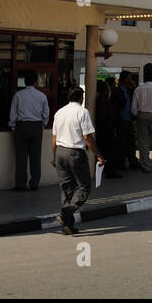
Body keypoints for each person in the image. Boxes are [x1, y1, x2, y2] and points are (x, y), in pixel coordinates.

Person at [50, 87, 105, 235]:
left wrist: (54, 156)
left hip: (61, 152)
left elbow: (54, 137)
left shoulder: (59, 112)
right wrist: (99, 155)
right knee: (84, 186)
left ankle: (67, 225)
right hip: (75, 153)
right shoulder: (82, 112)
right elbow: (88, 137)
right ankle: (66, 214)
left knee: (66, 187)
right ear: (82, 98)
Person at [8, 75, 50, 191]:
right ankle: (34, 183)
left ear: (24, 82)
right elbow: (46, 113)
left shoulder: (18, 95)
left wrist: (13, 126)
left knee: (21, 157)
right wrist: (42, 125)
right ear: (35, 82)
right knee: (35, 157)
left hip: (22, 126)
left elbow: (13, 112)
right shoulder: (42, 96)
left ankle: (21, 184)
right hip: (37, 126)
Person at [111, 72, 139, 171]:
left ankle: (132, 161)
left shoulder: (130, 91)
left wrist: (134, 85)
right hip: (121, 121)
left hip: (129, 120)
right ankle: (121, 162)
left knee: (131, 141)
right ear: (125, 79)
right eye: (130, 78)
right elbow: (114, 107)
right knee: (121, 142)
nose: (131, 80)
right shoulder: (117, 91)